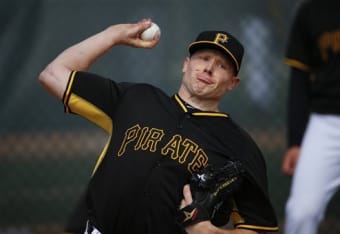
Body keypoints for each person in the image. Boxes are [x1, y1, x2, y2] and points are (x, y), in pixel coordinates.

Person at [39, 18, 279, 234]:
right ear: (186, 64)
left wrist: (210, 233)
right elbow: (53, 74)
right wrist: (112, 35)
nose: (208, 68)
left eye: (222, 65)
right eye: (203, 58)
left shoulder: (240, 147)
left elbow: (260, 228)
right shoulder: (136, 98)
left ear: (233, 83)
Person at [281, 0, 340, 233]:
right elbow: (299, 81)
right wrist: (295, 141)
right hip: (326, 123)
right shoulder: (311, 10)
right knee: (302, 212)